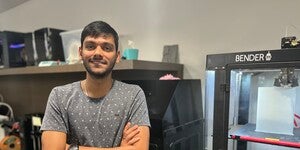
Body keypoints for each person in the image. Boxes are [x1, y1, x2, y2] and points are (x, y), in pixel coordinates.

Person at [41, 21, 151, 150]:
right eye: (90, 46)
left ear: (117, 56)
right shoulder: (59, 96)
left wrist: (70, 148)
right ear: (80, 52)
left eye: (107, 48)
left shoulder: (133, 95)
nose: (98, 53)